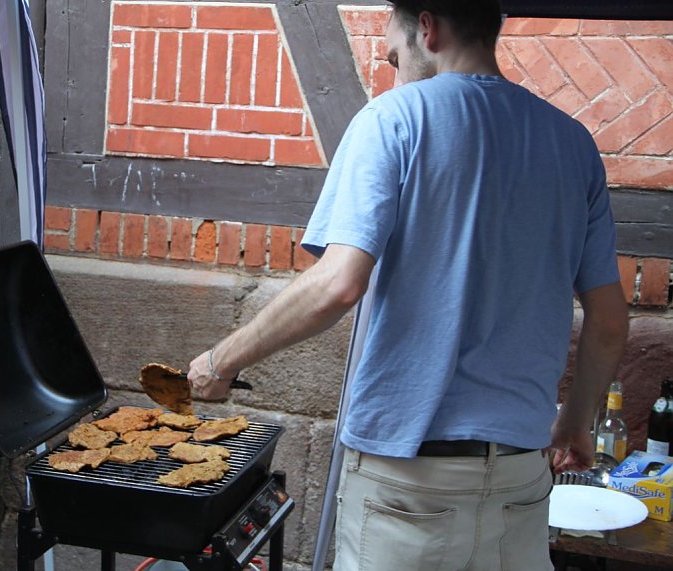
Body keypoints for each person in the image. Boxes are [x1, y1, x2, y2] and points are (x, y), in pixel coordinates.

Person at [187, 0, 630, 568]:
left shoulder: (390, 119)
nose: (389, 57)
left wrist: (220, 361)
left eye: (393, 42)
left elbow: (338, 285)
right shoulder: (574, 145)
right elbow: (610, 321)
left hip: (411, 479)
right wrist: (575, 422)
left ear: (427, 26)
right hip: (522, 475)